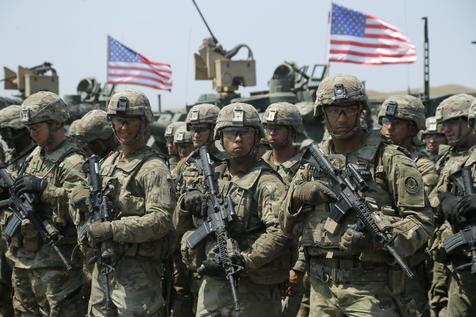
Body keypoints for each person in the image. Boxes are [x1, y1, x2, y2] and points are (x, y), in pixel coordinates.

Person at [280, 74, 434, 317]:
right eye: (334, 110)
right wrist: (300, 195)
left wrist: (377, 239)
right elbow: (284, 224)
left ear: (361, 110)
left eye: (349, 109)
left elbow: (422, 223)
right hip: (320, 285)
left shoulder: (390, 158)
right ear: (323, 113)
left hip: (371, 287)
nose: (341, 118)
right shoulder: (311, 161)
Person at [177, 102, 291, 316]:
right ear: (220, 137)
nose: (238, 138)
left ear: (256, 138)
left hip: (253, 289)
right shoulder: (211, 176)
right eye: (231, 132)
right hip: (212, 285)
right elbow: (180, 227)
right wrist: (186, 203)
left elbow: (279, 233)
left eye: (245, 132)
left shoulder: (267, 182)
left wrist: (243, 260)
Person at [86, 90, 176, 316]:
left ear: (144, 123)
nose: (122, 128)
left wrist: (112, 229)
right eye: (117, 121)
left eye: (129, 122)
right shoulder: (107, 164)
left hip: (138, 273)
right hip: (104, 266)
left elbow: (161, 220)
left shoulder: (153, 168)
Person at [3, 91, 88, 316]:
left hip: (56, 266)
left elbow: (82, 208)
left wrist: (44, 189)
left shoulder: (72, 162)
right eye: (29, 129)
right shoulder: (34, 157)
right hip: (23, 261)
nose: (32, 135)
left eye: (36, 128)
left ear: (56, 123)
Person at [171, 103, 222, 317]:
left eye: (201, 129)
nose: (195, 134)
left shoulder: (229, 162)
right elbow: (171, 212)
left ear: (215, 131)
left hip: (220, 250)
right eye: (193, 128)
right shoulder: (184, 166)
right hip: (190, 252)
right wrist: (184, 203)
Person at [429, 94, 476, 317]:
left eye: (452, 123)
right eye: (444, 124)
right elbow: (431, 199)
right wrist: (443, 199)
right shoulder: (447, 157)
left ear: (469, 122)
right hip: (450, 251)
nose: (446, 130)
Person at [261, 102, 309, 317]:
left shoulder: (306, 169)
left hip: (295, 262)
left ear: (292, 131)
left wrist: (298, 268)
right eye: (268, 126)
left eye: (278, 127)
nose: (271, 131)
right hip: (262, 263)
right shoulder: (257, 167)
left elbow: (310, 224)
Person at [378, 95, 438, 195]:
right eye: (385, 121)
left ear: (412, 129)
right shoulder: (373, 155)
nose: (389, 127)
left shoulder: (422, 166)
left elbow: (420, 202)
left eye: (397, 123)